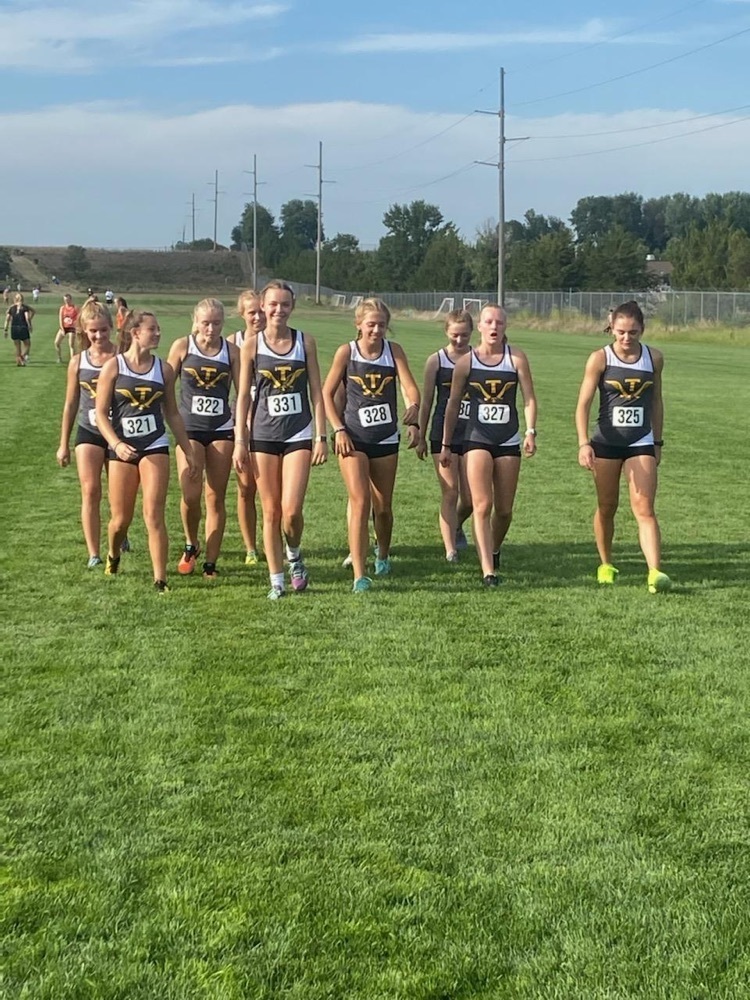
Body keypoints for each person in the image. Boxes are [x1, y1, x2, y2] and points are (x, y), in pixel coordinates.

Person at [232, 280, 327, 599]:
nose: (278, 310)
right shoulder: (251, 345)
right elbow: (243, 395)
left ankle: (295, 556)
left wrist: (321, 436)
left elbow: (317, 392)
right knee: (270, 511)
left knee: (291, 511)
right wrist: (240, 440)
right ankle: (276, 580)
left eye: (285, 304)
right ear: (262, 306)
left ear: (292, 307)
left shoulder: (305, 342)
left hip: (298, 433)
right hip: (263, 436)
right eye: (273, 304)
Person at [323, 298, 420, 593]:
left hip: (385, 438)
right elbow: (326, 394)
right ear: (359, 325)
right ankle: (359, 574)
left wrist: (414, 409)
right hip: (353, 438)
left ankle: (383, 555)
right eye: (371, 325)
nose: (376, 330)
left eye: (381, 325)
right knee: (360, 501)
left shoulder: (394, 351)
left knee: (383, 507)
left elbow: (409, 386)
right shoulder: (347, 352)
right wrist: (338, 429)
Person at [95, 309, 197, 593]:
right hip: (123, 449)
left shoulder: (164, 370)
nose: (158, 333)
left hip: (155, 445)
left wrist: (187, 449)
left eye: (158, 328)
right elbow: (101, 414)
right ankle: (113, 554)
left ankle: (160, 579)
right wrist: (116, 444)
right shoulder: (114, 367)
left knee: (153, 513)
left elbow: (172, 413)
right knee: (120, 520)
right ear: (135, 333)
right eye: (152, 329)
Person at [575, 299, 671, 593]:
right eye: (621, 332)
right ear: (612, 329)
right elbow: (583, 404)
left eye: (633, 332)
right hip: (606, 443)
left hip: (640, 441)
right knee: (607, 506)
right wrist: (583, 443)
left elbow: (656, 401)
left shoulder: (654, 358)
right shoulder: (600, 359)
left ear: (642, 330)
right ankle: (606, 563)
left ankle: (655, 572)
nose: (627, 338)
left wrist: (657, 441)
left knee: (645, 508)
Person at [440, 304, 537, 587]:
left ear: (505, 326)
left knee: (504, 510)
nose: (494, 327)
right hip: (476, 439)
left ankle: (494, 548)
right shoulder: (466, 363)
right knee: (482, 504)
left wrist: (530, 431)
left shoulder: (516, 358)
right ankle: (488, 570)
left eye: (499, 322)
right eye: (489, 322)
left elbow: (529, 398)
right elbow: (452, 405)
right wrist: (446, 443)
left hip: (508, 439)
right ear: (480, 327)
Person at [167, 298, 239, 579]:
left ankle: (210, 562)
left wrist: (241, 429)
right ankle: (191, 543)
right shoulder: (182, 346)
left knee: (215, 496)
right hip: (189, 430)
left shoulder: (231, 352)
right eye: (206, 323)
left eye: (216, 323)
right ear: (195, 322)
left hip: (221, 428)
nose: (211, 329)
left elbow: (244, 391)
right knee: (191, 494)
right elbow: (165, 386)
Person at [56, 300, 118, 567]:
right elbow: (70, 404)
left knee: (118, 494)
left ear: (111, 328)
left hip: (117, 434)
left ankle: (120, 531)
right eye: (93, 331)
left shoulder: (121, 357)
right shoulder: (78, 362)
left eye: (103, 330)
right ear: (84, 330)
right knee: (90, 490)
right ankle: (94, 553)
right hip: (88, 431)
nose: (99, 336)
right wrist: (63, 444)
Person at [416, 309, 474, 562]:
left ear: (472, 333)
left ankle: (457, 524)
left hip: (473, 434)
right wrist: (421, 434)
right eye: (454, 336)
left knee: (470, 499)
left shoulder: (478, 358)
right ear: (446, 332)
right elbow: (427, 401)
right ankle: (451, 549)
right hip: (443, 434)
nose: (459, 340)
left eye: (464, 335)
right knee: (451, 492)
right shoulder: (436, 361)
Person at [226, 290, 264, 565]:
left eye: (261, 310)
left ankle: (278, 542)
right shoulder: (232, 343)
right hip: (242, 422)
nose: (258, 316)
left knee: (274, 492)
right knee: (246, 487)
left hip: (271, 422)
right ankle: (251, 547)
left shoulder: (276, 340)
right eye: (252, 312)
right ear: (242, 314)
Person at [4, 292, 34, 366]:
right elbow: (27, 317)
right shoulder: (24, 307)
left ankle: (19, 362)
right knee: (27, 344)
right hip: (23, 327)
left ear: (15, 299)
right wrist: (30, 325)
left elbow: (7, 319)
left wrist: (6, 330)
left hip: (14, 328)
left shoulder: (11, 308)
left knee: (17, 347)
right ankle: (22, 358)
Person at [55, 293, 79, 363]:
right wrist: (62, 329)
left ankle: (72, 360)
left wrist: (76, 325)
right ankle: (59, 357)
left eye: (68, 300)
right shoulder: (62, 308)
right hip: (64, 327)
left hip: (72, 327)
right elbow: (60, 319)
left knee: (71, 344)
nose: (66, 301)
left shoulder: (75, 308)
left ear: (70, 299)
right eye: (65, 300)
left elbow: (79, 318)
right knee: (56, 342)